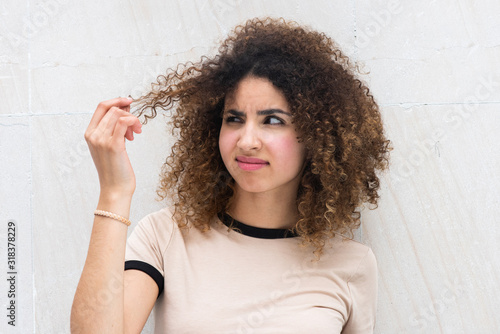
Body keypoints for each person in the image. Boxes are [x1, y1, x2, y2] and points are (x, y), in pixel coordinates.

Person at [71, 17, 390, 333]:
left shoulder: (351, 264)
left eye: (273, 121)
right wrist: (114, 190)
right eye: (234, 119)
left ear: (316, 136)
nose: (247, 141)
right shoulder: (167, 235)